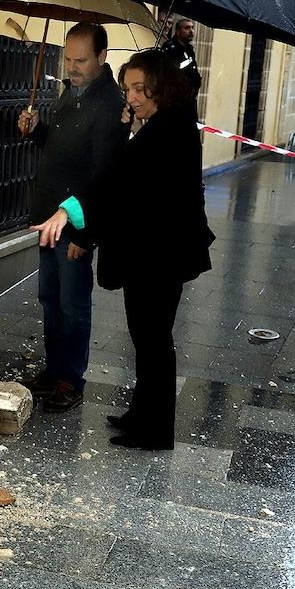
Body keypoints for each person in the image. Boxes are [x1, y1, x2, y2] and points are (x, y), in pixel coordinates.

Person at [81, 49, 215, 450]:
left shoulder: (170, 129)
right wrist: (129, 131)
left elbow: (126, 179)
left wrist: (125, 137)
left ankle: (156, 431)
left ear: (161, 86)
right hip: (151, 253)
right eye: (128, 89)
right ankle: (141, 414)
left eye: (140, 88)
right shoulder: (159, 125)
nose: (133, 96)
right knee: (146, 338)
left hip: (159, 256)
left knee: (154, 340)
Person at [16, 22, 127, 412]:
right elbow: (62, 148)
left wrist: (86, 235)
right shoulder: (71, 93)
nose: (73, 66)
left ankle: (70, 379)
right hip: (49, 216)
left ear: (102, 58)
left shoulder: (111, 104)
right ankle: (53, 369)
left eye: (81, 60)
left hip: (75, 224)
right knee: (50, 298)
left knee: (73, 303)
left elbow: (103, 176)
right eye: (68, 57)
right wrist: (37, 130)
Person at [161, 18, 203, 97]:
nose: (191, 31)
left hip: (189, 96)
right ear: (178, 31)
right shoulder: (170, 49)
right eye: (187, 28)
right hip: (175, 97)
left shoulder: (190, 50)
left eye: (192, 28)